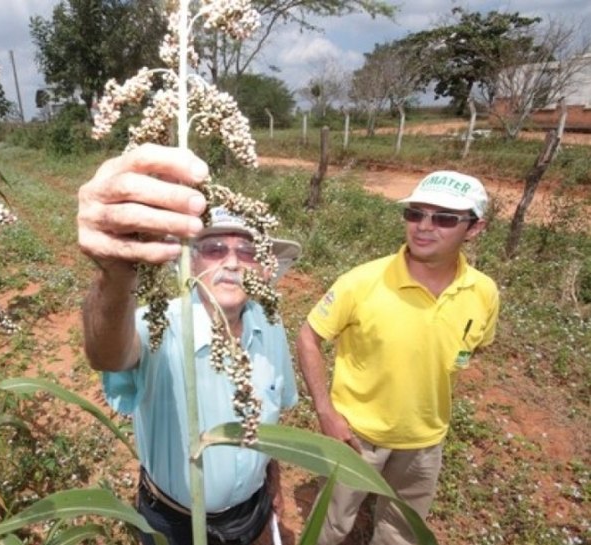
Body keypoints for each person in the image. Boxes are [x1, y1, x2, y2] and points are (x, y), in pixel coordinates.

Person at [78, 143, 301, 545]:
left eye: (247, 251)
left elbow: (269, 419)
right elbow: (106, 352)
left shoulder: (271, 326)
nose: (232, 262)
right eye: (214, 249)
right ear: (190, 261)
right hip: (172, 524)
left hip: (250, 514)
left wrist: (272, 481)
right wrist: (117, 273)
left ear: (264, 268)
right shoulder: (157, 326)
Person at [296, 170, 500, 545]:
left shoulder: (484, 292)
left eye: (444, 218)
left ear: (474, 229)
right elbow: (309, 336)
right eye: (415, 213)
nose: (424, 226)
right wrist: (326, 412)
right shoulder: (362, 282)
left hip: (425, 442)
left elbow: (475, 345)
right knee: (331, 526)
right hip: (356, 437)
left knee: (400, 532)